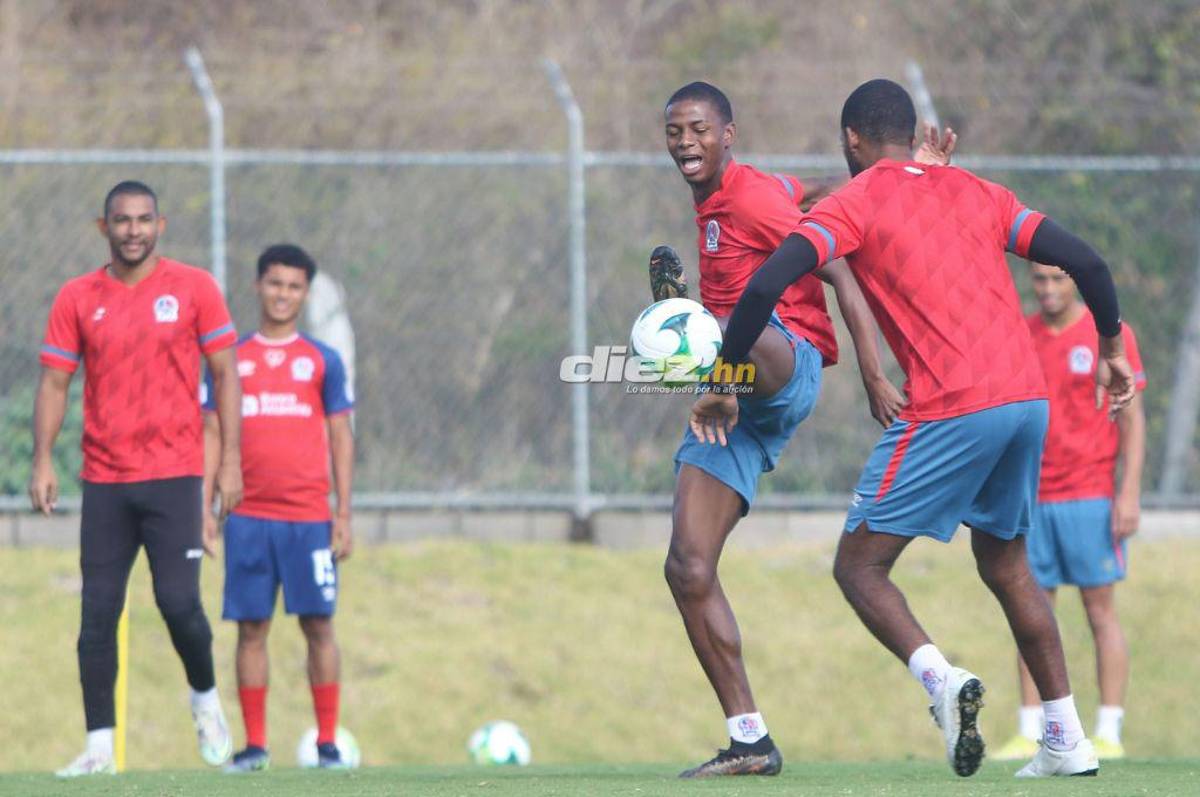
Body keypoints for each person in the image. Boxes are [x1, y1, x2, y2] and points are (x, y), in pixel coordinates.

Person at [694, 79, 1137, 779]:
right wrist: (1112, 350)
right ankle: (1065, 736)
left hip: (954, 404)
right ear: (911, 134)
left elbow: (763, 284)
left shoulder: (856, 202)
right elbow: (1089, 261)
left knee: (859, 566)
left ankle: (941, 681)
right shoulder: (978, 193)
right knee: (1006, 563)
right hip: (1027, 398)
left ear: (851, 142)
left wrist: (722, 381)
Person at [653, 81, 955, 778]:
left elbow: (842, 271)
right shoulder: (735, 198)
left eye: (699, 129)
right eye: (675, 132)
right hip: (731, 397)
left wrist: (874, 374)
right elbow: (817, 190)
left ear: (728, 134)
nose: (686, 142)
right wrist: (884, 177)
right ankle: (749, 738)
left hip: (784, 366)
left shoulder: (752, 200)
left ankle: (695, 336)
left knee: (723, 324)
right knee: (687, 566)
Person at [30, 180, 242, 776]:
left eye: (143, 219)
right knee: (97, 613)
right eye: (121, 221)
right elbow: (54, 382)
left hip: (174, 475)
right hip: (105, 481)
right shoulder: (77, 296)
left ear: (161, 225)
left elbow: (226, 376)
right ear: (104, 228)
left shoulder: (195, 288)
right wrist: (42, 459)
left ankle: (204, 699)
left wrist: (228, 462)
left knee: (179, 604)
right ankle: (99, 748)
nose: (133, 230)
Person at [201, 243, 355, 772]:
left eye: (293, 286)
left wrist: (343, 513)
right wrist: (206, 508)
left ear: (304, 293)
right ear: (258, 286)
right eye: (274, 283)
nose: (283, 294)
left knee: (319, 626)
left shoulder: (321, 361)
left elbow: (340, 435)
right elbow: (214, 430)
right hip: (247, 517)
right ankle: (256, 747)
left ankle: (328, 745)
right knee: (251, 629)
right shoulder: (231, 360)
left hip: (309, 518)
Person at [994, 263, 1146, 761]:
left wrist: (1128, 494)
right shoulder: (1023, 333)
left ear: (1075, 282)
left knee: (1099, 612)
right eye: (1040, 280)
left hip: (1090, 496)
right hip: (1033, 497)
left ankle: (1109, 730)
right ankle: (1032, 728)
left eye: (1058, 279)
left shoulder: (1110, 335)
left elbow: (1133, 420)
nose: (1049, 289)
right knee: (1031, 612)